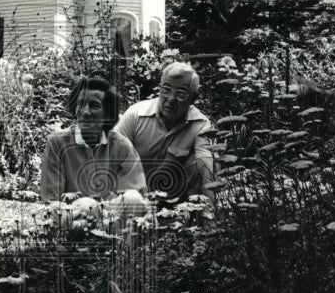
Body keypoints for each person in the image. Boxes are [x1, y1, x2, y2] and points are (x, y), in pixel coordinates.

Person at [39, 77, 148, 222]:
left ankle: (121, 244)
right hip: (72, 220)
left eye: (94, 106)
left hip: (112, 222)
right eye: (81, 104)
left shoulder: (121, 146)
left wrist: (101, 214)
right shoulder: (57, 143)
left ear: (108, 114)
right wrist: (84, 209)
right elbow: (50, 202)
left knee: (133, 198)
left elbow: (137, 199)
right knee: (85, 205)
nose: (85, 112)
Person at [112, 62, 215, 202]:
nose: (171, 100)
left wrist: (210, 212)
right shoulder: (135, 115)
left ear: (193, 98)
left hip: (178, 202)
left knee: (204, 162)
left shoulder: (200, 125)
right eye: (166, 90)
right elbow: (111, 158)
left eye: (181, 94)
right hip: (134, 197)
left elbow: (208, 171)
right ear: (159, 88)